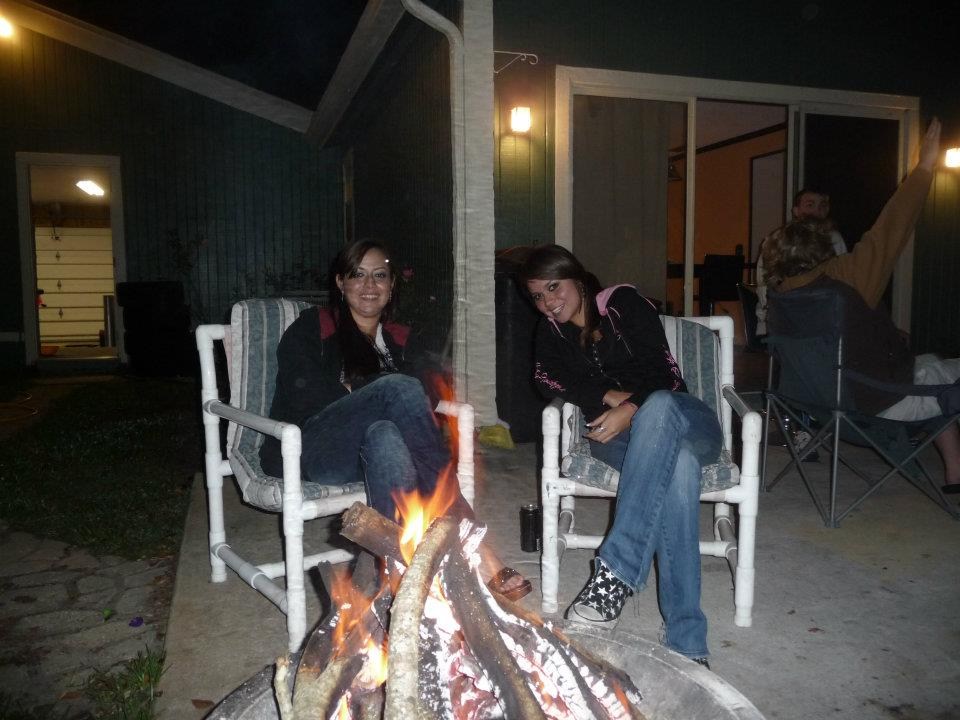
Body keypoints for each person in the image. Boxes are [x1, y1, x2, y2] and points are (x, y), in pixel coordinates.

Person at [260, 238, 532, 598]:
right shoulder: (314, 326)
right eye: (358, 275)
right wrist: (378, 391)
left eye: (379, 276)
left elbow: (430, 391)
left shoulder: (401, 338)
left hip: (370, 452)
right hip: (315, 448)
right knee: (396, 389)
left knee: (386, 433)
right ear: (340, 282)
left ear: (391, 286)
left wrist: (359, 391)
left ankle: (391, 573)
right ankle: (476, 544)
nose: (369, 286)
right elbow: (304, 393)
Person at [520, 245, 719, 667]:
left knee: (659, 406)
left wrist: (631, 408)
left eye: (554, 287)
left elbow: (667, 377)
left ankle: (615, 572)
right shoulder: (550, 332)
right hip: (619, 438)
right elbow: (544, 379)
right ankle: (687, 639)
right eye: (537, 295)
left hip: (686, 420)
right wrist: (608, 396)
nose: (548, 302)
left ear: (577, 279)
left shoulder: (622, 304)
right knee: (679, 468)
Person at [762, 117, 960, 495]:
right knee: (942, 374)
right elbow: (891, 228)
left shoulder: (782, 295)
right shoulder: (844, 278)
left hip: (820, 405)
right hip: (877, 403)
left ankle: (955, 472)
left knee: (930, 366)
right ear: (822, 249)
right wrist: (924, 167)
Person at [756, 188, 846, 335]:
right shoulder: (779, 241)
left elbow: (841, 280)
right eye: (810, 205)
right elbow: (764, 288)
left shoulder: (834, 239)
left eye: (822, 206)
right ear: (796, 211)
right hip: (779, 323)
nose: (817, 211)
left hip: (822, 321)